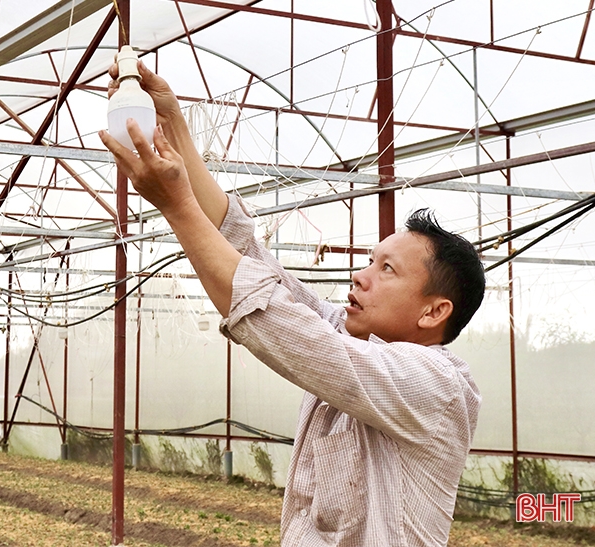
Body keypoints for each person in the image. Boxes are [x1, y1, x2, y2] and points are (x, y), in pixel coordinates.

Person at [100, 60, 485, 547]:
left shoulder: (440, 386)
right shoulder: (345, 334)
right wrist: (172, 126)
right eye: (370, 260)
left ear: (434, 312)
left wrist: (176, 206)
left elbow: (286, 328)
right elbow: (248, 257)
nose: (360, 275)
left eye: (386, 269)